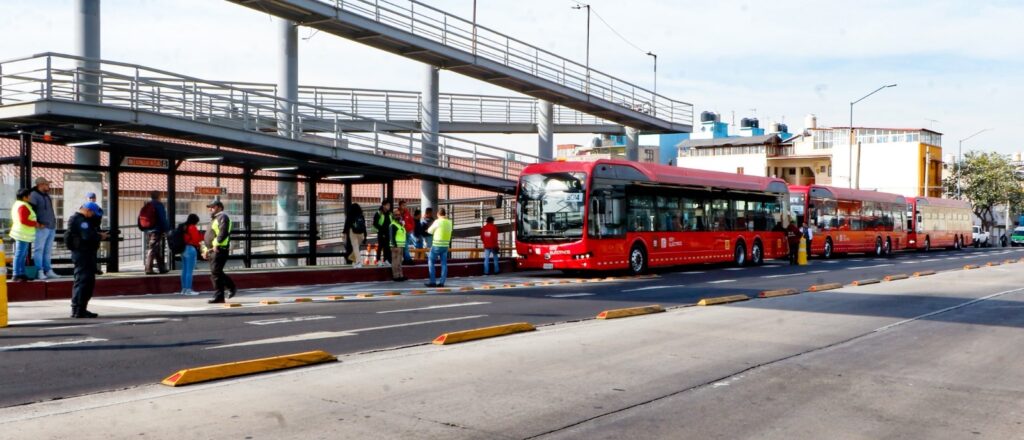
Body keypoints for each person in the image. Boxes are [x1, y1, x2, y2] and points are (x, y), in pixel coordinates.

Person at [68, 202, 108, 318]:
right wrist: (100, 236)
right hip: (82, 254)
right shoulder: (80, 220)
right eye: (92, 213)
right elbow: (87, 236)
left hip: (85, 254)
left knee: (86, 281)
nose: (93, 216)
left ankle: (80, 309)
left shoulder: (81, 220)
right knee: (83, 281)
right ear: (87, 210)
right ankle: (78, 309)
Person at [202, 200, 236, 304]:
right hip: (212, 250)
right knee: (215, 272)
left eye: (213, 207)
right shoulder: (214, 219)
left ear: (220, 207)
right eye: (210, 207)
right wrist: (205, 250)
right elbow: (209, 237)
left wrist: (216, 244)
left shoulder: (223, 217)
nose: (210, 209)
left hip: (219, 249)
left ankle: (224, 292)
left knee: (215, 272)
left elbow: (223, 233)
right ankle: (224, 292)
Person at [29, 177, 59, 280]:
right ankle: (39, 271)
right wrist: (37, 223)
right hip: (41, 227)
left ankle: (48, 270)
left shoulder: (46, 195)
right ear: (41, 184)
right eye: (46, 184)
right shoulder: (33, 195)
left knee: (48, 250)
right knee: (39, 249)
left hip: (51, 226)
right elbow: (31, 210)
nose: (48, 186)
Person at [9, 189, 38, 282]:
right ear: (24, 197)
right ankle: (16, 274)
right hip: (22, 234)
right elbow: (23, 220)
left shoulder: (18, 204)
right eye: (29, 195)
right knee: (20, 254)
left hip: (22, 234)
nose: (30, 197)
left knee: (22, 255)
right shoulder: (23, 206)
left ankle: (21, 273)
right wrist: (35, 223)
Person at [140, 191, 170, 274]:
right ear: (159, 196)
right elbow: (162, 218)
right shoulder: (158, 205)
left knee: (156, 248)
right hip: (156, 230)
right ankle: (148, 268)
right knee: (153, 248)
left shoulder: (148, 204)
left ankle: (161, 268)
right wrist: (166, 229)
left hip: (148, 229)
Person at [425, 208, 453, 287]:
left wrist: (427, 230)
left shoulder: (437, 221)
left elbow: (430, 231)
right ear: (445, 214)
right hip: (445, 245)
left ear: (438, 214)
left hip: (437, 245)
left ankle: (433, 281)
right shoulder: (449, 222)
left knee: (431, 261)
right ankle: (442, 282)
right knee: (444, 263)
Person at [179, 214, 203, 295]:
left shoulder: (183, 226)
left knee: (184, 270)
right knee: (189, 271)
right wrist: (201, 237)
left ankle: (184, 289)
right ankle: (189, 290)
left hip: (182, 249)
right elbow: (196, 240)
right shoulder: (192, 227)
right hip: (190, 249)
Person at [343, 203, 367, 268]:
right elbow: (364, 226)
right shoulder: (361, 215)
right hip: (361, 234)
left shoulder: (350, 215)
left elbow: (347, 225)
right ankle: (354, 261)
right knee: (356, 249)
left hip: (353, 232)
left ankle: (358, 262)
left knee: (355, 247)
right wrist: (365, 236)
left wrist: (344, 233)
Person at [388, 207, 408, 282]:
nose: (398, 216)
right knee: (395, 262)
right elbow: (391, 236)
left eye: (399, 215)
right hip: (395, 246)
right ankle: (396, 276)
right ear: (393, 216)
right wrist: (394, 245)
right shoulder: (393, 225)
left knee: (399, 261)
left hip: (401, 246)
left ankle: (400, 275)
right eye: (396, 215)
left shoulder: (399, 225)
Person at [372, 201, 392, 266]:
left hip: (388, 233)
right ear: (383, 205)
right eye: (387, 205)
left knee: (387, 247)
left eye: (389, 205)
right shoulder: (378, 213)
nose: (389, 207)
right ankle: (378, 260)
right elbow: (375, 223)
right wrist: (381, 230)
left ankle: (386, 260)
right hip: (381, 233)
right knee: (380, 247)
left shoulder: (389, 214)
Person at [398, 200, 414, 264]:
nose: (405, 207)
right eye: (403, 205)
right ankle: (408, 259)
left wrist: (411, 228)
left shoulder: (407, 212)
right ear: (400, 205)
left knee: (405, 246)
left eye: (405, 205)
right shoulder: (397, 213)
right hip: (401, 232)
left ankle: (406, 259)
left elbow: (411, 220)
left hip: (408, 231)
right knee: (405, 246)